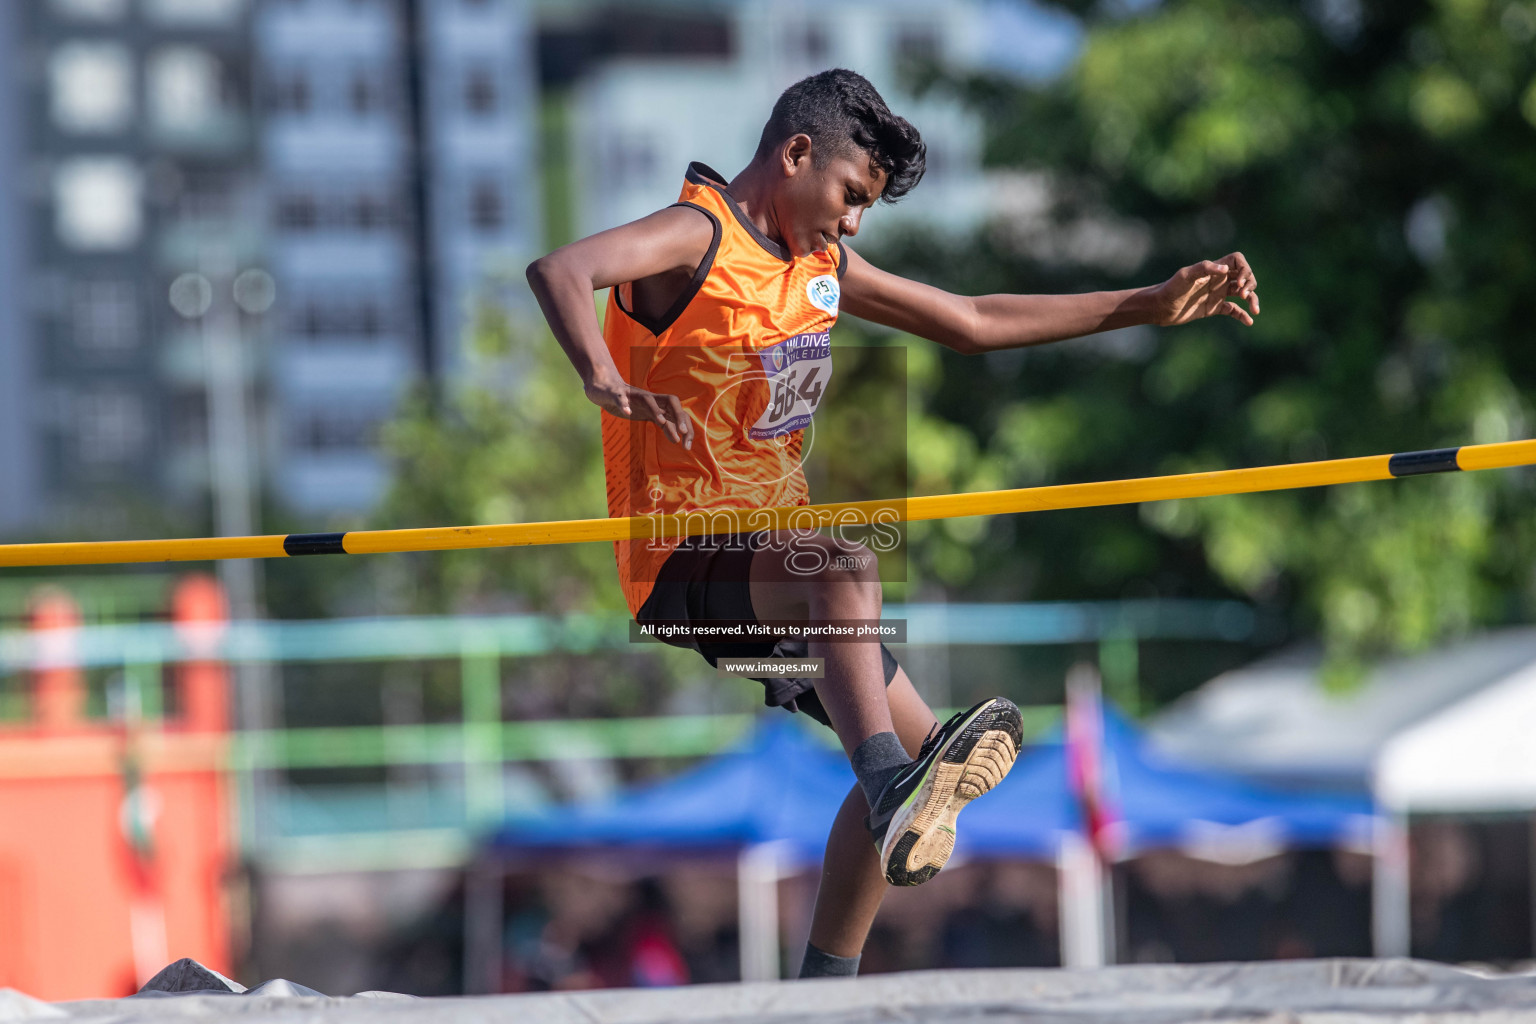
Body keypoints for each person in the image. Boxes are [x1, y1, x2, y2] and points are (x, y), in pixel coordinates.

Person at [526, 68, 1259, 979]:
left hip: (777, 590)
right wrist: (603, 376)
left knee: (923, 755)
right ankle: (887, 789)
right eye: (850, 195)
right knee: (850, 574)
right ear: (796, 154)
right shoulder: (697, 235)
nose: (854, 223)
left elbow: (973, 318)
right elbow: (562, 268)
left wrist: (1146, 304)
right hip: (685, 572)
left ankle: (824, 984)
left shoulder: (822, 268)